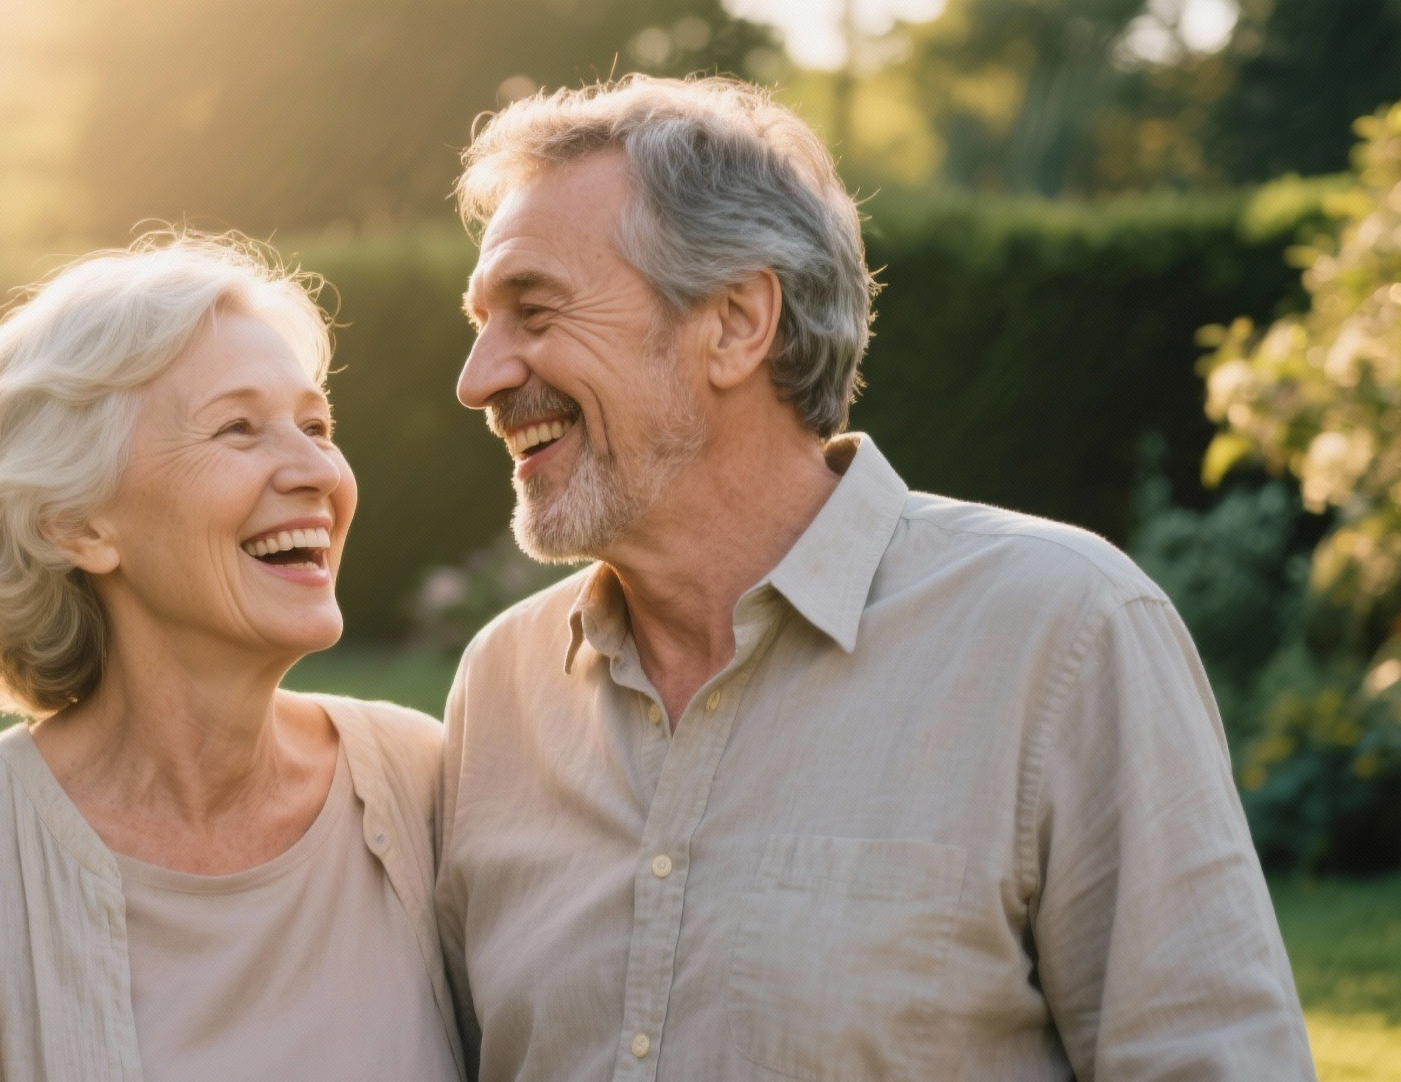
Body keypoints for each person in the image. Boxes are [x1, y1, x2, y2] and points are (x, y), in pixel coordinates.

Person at [435, 75, 1315, 1081]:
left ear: (734, 321)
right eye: (481, 320)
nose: (480, 377)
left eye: (533, 309)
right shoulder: (499, 688)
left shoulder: (1063, 630)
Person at [0, 236, 465, 1082]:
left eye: (317, 423)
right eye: (238, 427)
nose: (317, 469)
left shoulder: (425, 785)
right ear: (78, 525)